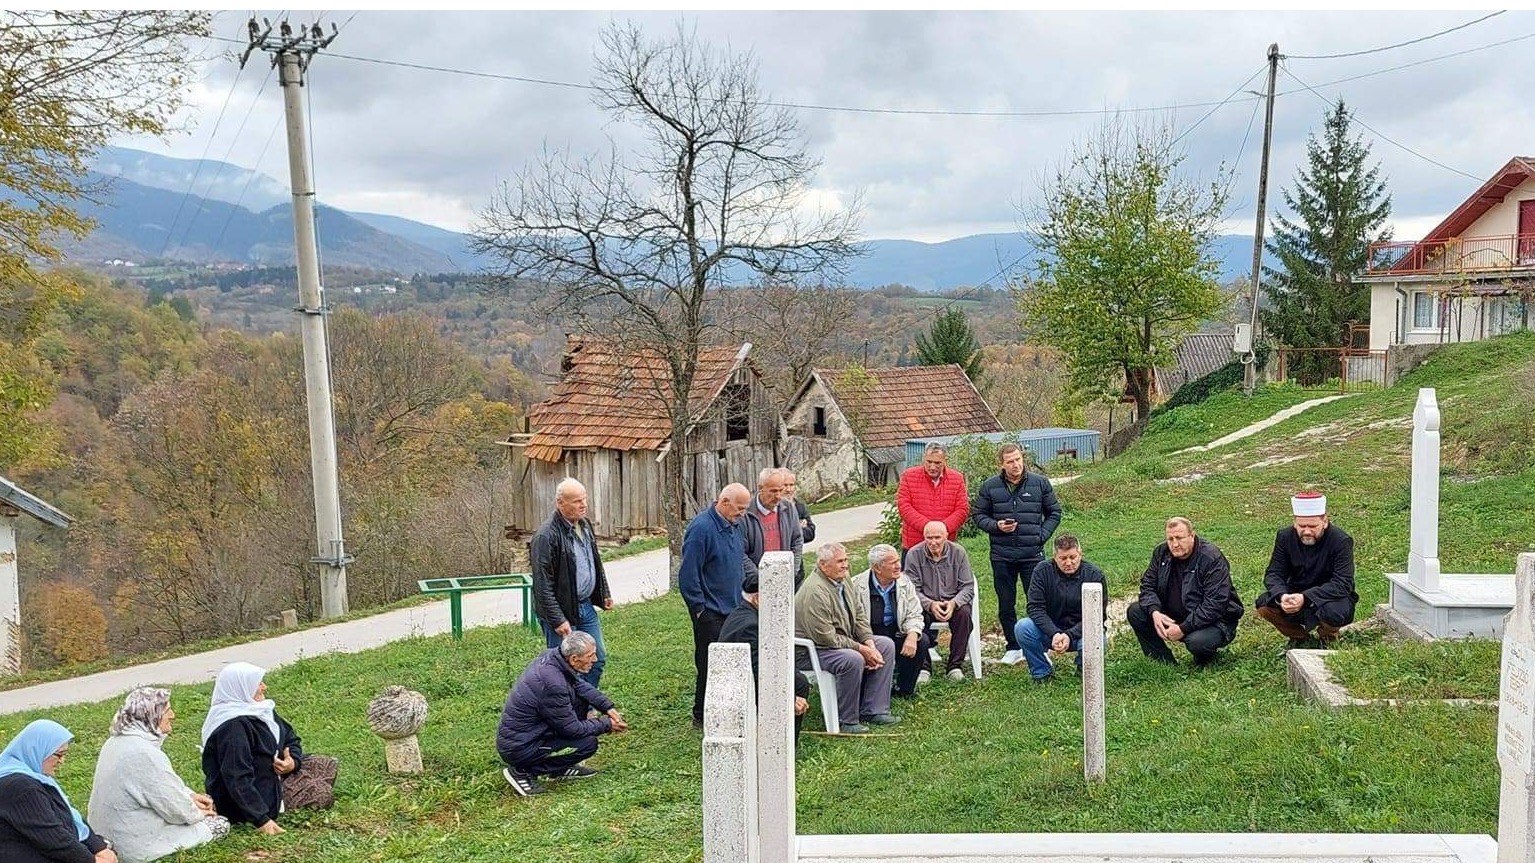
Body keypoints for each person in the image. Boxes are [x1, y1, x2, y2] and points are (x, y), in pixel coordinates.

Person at [88, 688, 229, 863]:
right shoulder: (143, 753)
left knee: (203, 801)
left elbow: (162, 788)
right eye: (167, 711)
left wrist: (190, 796)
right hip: (134, 845)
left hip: (105, 837)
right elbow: (174, 809)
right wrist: (199, 813)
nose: (173, 715)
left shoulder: (115, 741)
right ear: (150, 716)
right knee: (220, 823)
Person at [201, 663, 338, 835]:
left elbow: (290, 738)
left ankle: (299, 784)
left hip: (273, 776)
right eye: (258, 683)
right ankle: (291, 793)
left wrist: (292, 762)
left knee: (326, 763)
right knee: (321, 793)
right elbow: (236, 778)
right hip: (251, 798)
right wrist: (261, 819)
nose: (264, 687)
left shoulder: (259, 710)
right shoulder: (232, 728)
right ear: (242, 687)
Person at [497, 631, 628, 797]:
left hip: (526, 735)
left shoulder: (553, 658)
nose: (594, 660)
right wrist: (607, 724)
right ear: (574, 659)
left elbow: (579, 686)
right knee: (587, 744)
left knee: (580, 701)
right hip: (520, 746)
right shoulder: (553, 683)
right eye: (591, 656)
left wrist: (607, 707)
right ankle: (522, 771)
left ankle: (558, 768)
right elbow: (572, 729)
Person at [794, 542, 900, 734]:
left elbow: (859, 614)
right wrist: (862, 650)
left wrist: (869, 643)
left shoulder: (843, 579)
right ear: (823, 565)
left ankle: (873, 709)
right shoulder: (815, 591)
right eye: (840, 561)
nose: (845, 565)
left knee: (885, 645)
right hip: (812, 650)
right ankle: (847, 720)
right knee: (852, 659)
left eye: (846, 560)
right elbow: (826, 638)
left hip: (840, 641)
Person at [972, 442, 1062, 666]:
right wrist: (996, 526)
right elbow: (978, 515)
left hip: (1032, 554)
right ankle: (1012, 645)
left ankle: (1040, 645)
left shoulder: (1040, 483)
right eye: (1010, 461)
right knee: (1006, 602)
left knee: (1038, 601)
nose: (1016, 465)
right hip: (1002, 555)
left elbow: (1055, 512)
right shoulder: (990, 486)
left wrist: (1041, 535)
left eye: (1018, 459)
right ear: (1001, 464)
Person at [679, 482, 752, 728]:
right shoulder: (701, 529)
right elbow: (688, 574)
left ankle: (728, 708)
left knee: (733, 661)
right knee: (710, 663)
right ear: (723, 502)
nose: (742, 514)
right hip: (711, 611)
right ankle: (701, 714)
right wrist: (700, 609)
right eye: (739, 508)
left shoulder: (735, 525)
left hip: (733, 607)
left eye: (745, 509)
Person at [1127, 517, 1244, 667]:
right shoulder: (1161, 553)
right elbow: (1147, 586)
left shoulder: (1211, 558)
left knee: (1197, 642)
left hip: (1215, 620)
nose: (1174, 544)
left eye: (1179, 538)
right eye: (1170, 539)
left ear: (1192, 536)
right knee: (1136, 611)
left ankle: (1205, 658)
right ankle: (1162, 662)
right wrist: (1154, 611)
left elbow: (1215, 604)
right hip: (1175, 615)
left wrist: (1184, 628)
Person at [530, 477, 613, 687]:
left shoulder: (583, 525)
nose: (583, 505)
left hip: (585, 606)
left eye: (584, 499)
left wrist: (603, 591)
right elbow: (542, 586)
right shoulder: (546, 536)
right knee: (565, 668)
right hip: (561, 611)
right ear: (560, 503)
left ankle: (582, 707)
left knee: (596, 659)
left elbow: (593, 561)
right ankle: (564, 713)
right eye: (577, 501)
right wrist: (558, 619)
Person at [0, 719, 117, 863]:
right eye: (59, 754)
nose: (62, 761)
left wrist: (100, 848)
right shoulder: (20, 787)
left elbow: (69, 816)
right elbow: (54, 839)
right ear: (37, 750)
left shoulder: (35, 776)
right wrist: (93, 860)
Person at [1254, 492, 1358, 649]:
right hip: (1294, 592)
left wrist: (1306, 597)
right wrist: (1282, 596)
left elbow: (1342, 583)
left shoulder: (1341, 541)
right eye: (1302, 526)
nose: (1307, 531)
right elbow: (1274, 573)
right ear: (1295, 523)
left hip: (1328, 596)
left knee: (1335, 612)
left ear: (1324, 522)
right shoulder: (1285, 537)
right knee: (1264, 604)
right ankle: (1299, 637)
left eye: (1312, 526)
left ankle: (1328, 636)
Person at [718, 571, 812, 741]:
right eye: (774, 597)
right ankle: (780, 742)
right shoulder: (750, 626)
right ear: (758, 599)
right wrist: (787, 698)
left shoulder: (746, 612)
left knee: (797, 678)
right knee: (799, 684)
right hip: (740, 685)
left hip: (746, 677)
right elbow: (755, 672)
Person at [1016, 535, 1106, 682]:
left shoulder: (1094, 575)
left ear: (1080, 554)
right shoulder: (1041, 571)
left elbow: (1097, 616)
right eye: (1063, 558)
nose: (1069, 563)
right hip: (1051, 631)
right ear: (1054, 557)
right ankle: (1041, 673)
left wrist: (1069, 635)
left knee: (1097, 637)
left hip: (1082, 632)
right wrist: (1055, 633)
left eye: (1073, 557)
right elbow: (1034, 608)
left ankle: (1083, 672)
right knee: (1023, 627)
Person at [903, 520, 976, 682]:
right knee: (915, 616)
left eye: (937, 537)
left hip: (952, 602)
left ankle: (955, 666)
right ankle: (923, 666)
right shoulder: (914, 554)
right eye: (929, 538)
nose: (933, 542)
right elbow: (910, 589)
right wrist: (930, 604)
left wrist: (954, 603)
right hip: (925, 603)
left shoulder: (958, 552)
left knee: (964, 615)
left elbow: (968, 586)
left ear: (946, 537)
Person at [854, 544, 930, 697]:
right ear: (877, 568)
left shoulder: (904, 582)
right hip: (870, 634)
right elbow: (854, 621)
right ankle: (869, 691)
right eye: (892, 563)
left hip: (895, 629)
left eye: (898, 561)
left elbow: (915, 613)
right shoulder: (856, 585)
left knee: (921, 642)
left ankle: (904, 689)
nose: (898, 566)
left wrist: (912, 635)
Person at [895, 442, 969, 554]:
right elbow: (904, 507)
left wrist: (942, 529)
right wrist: (928, 527)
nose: (932, 467)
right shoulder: (908, 476)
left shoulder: (957, 479)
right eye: (929, 462)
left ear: (945, 460)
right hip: (914, 545)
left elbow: (962, 510)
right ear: (924, 458)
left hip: (945, 545)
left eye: (937, 463)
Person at [742, 467, 804, 587]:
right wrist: (759, 577)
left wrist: (792, 570)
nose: (778, 496)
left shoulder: (788, 509)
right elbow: (740, 552)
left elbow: (797, 540)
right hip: (755, 584)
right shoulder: (746, 514)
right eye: (773, 491)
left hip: (784, 579)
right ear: (760, 488)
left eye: (781, 490)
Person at [782, 470, 816, 543]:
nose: (788, 489)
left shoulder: (800, 506)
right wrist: (798, 528)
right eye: (785, 485)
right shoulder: (772, 508)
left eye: (791, 485)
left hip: (796, 552)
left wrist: (795, 531)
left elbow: (810, 534)